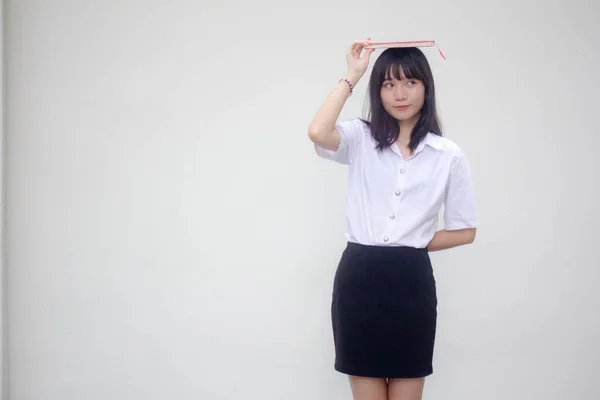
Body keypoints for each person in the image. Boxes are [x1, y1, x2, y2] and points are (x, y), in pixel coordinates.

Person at [307, 38, 478, 400]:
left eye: (410, 82)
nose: (400, 93)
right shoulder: (360, 137)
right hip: (359, 281)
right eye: (389, 84)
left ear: (426, 88)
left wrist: (412, 240)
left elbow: (465, 231)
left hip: (410, 284)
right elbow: (318, 133)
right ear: (378, 91)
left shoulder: (447, 155)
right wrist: (352, 74)